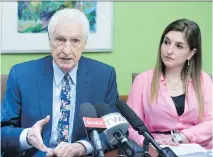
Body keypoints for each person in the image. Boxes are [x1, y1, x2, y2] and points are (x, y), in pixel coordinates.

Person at [1, 8, 118, 157]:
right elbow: (2, 130)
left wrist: (83, 146)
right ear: (50, 40)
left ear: (85, 44)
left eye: (75, 41)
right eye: (60, 40)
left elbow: (115, 129)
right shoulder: (21, 75)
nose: (66, 50)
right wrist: (27, 136)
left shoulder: (104, 76)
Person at [127, 19, 212, 150]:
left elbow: (210, 122)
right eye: (166, 42)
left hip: (196, 149)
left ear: (191, 53)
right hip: (157, 148)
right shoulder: (142, 81)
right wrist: (150, 144)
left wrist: (183, 136)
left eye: (179, 46)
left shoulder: (203, 79)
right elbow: (131, 127)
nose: (169, 51)